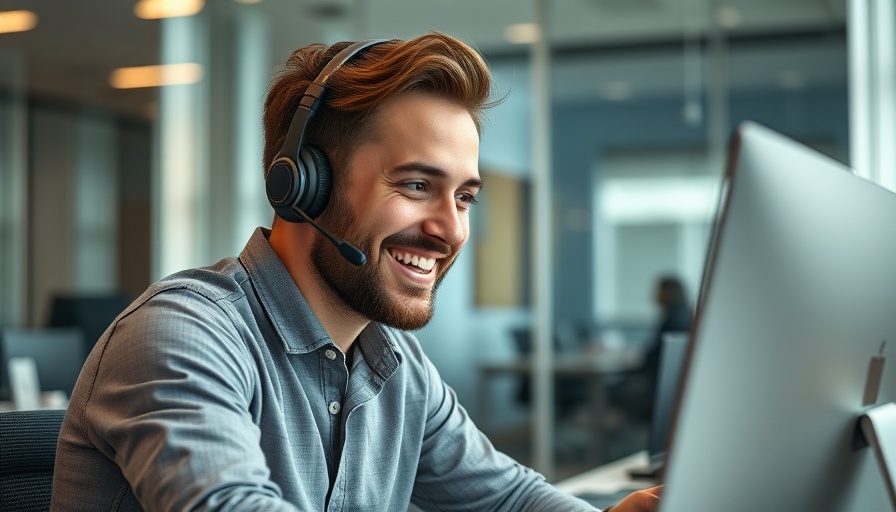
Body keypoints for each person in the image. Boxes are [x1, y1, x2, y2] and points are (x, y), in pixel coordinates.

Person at [50, 33, 660, 511]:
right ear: (303, 185)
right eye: (417, 185)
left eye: (465, 197)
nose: (450, 230)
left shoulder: (393, 365)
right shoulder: (182, 333)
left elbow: (506, 497)